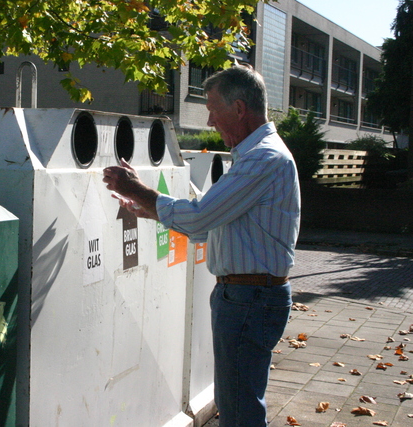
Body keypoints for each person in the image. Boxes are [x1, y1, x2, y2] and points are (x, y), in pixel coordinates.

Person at [102, 65, 300, 427]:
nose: (209, 121)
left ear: (239, 109)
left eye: (212, 109)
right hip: (246, 298)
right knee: (236, 401)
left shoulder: (263, 158)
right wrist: (146, 210)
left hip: (249, 301)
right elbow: (217, 226)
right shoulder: (255, 156)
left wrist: (137, 189)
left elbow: (200, 217)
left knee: (239, 410)